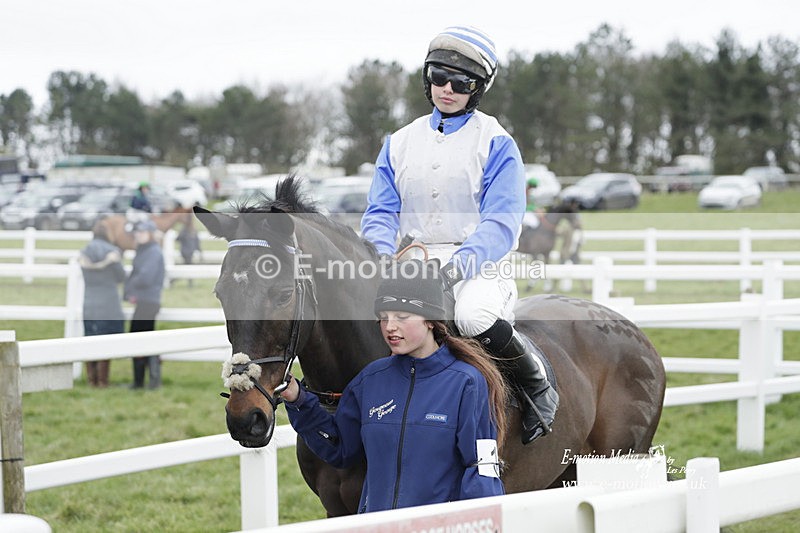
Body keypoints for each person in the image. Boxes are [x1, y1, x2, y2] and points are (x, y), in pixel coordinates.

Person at [360, 25, 558, 445]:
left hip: (479, 262)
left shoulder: (497, 142)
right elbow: (380, 212)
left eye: (461, 83)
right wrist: (381, 258)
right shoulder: (398, 142)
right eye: (437, 77)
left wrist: (455, 270)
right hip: (410, 258)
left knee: (471, 317)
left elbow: (501, 223)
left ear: (479, 88)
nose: (446, 89)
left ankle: (536, 382)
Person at [280, 264, 507, 512]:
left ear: (430, 320)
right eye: (384, 317)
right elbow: (340, 449)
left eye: (402, 316)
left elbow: (481, 469)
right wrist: (298, 400)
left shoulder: (467, 383)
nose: (389, 327)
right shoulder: (370, 379)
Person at [79, 220, 126, 387]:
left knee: (90, 339)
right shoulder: (112, 252)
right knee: (106, 341)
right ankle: (103, 381)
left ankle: (92, 380)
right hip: (108, 303)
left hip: (90, 302)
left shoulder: (84, 252)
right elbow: (121, 277)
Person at [124, 219, 165, 389]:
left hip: (148, 301)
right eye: (137, 232)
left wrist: (131, 287)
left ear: (150, 234)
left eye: (142, 232)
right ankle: (141, 381)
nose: (138, 235)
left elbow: (144, 277)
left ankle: (148, 381)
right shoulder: (144, 250)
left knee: (142, 340)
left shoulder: (153, 252)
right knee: (139, 339)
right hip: (144, 300)